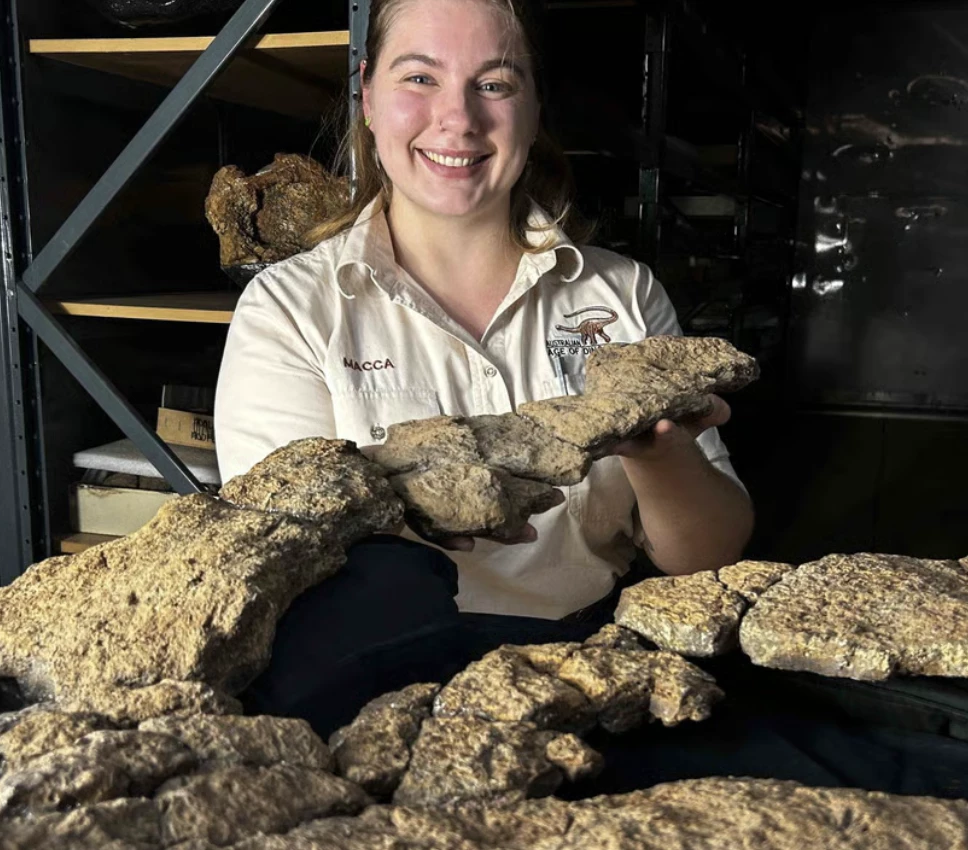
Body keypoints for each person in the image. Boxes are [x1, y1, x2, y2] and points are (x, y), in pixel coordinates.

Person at [216, 0, 752, 714]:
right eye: (419, 78)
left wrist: (660, 454)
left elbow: (707, 560)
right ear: (367, 95)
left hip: (588, 670)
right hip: (371, 679)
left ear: (533, 109)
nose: (459, 119)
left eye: (494, 84)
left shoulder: (621, 293)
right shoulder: (290, 310)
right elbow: (277, 555)